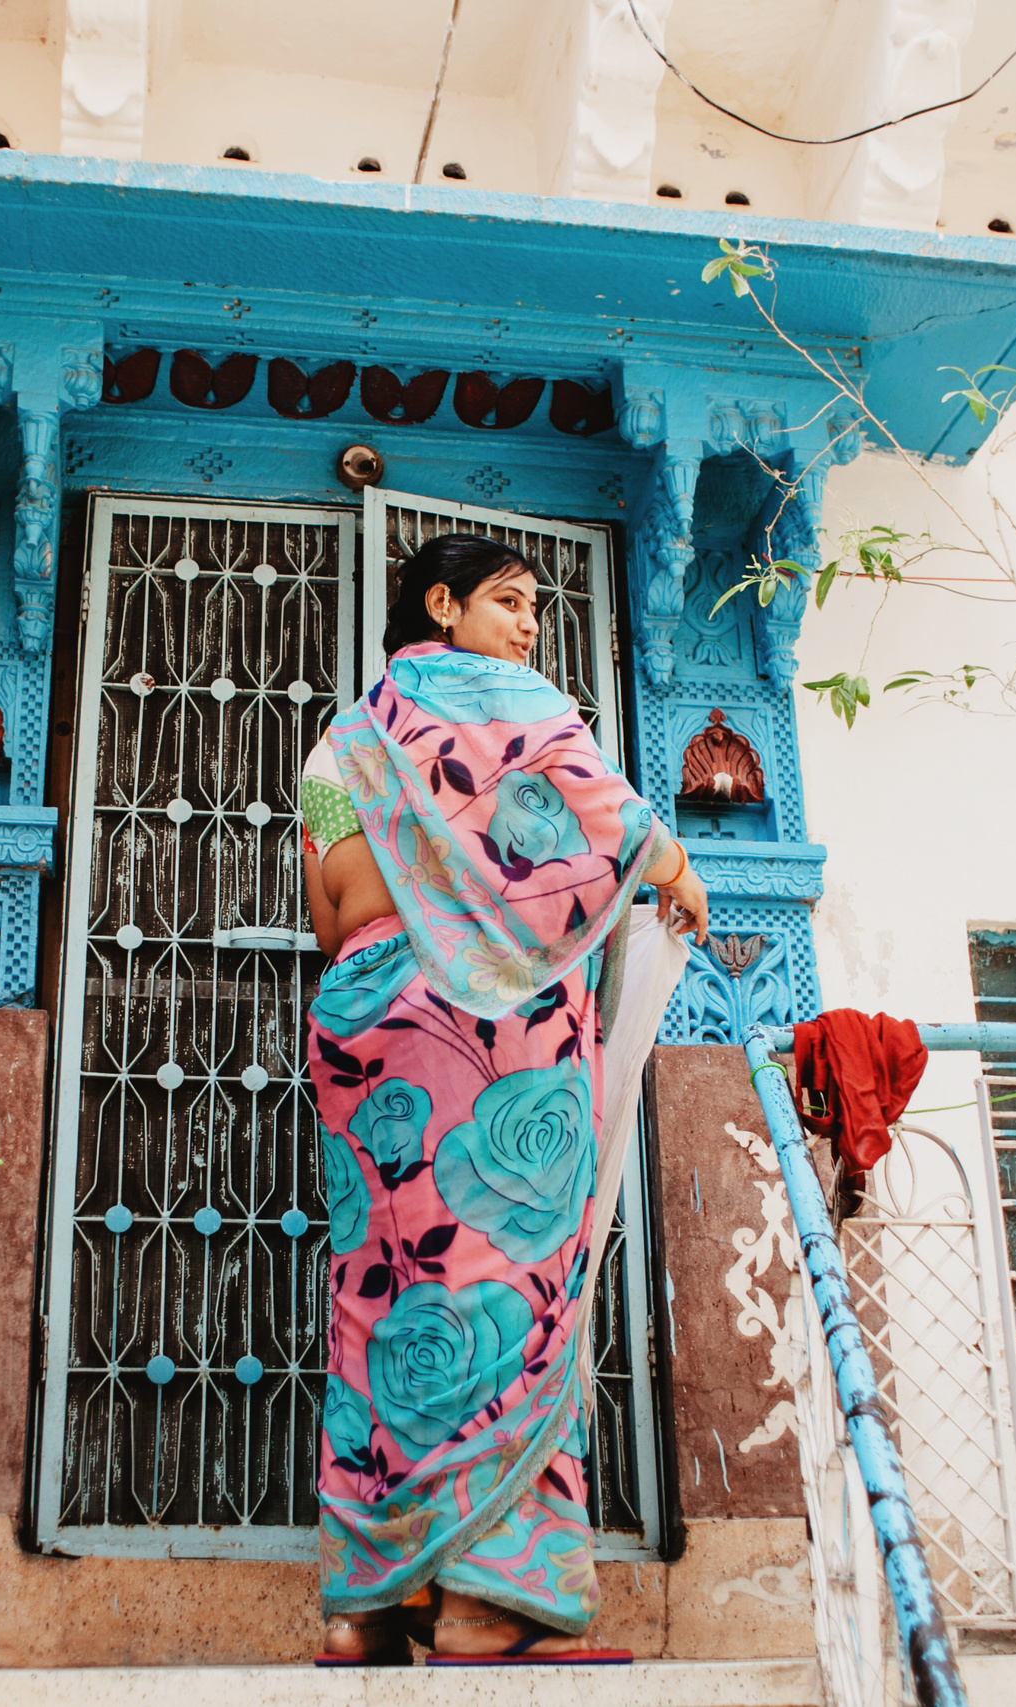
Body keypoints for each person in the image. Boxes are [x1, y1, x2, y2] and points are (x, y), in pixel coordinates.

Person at [299, 532, 708, 1666]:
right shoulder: (512, 704)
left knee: (380, 1294)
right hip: (488, 1020)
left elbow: (331, 914)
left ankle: (365, 1607)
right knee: (500, 1286)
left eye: (534, 609)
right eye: (510, 601)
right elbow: (608, 822)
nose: (529, 627)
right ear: (442, 604)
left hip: (362, 1021)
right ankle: (483, 1606)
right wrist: (680, 875)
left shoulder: (341, 744)